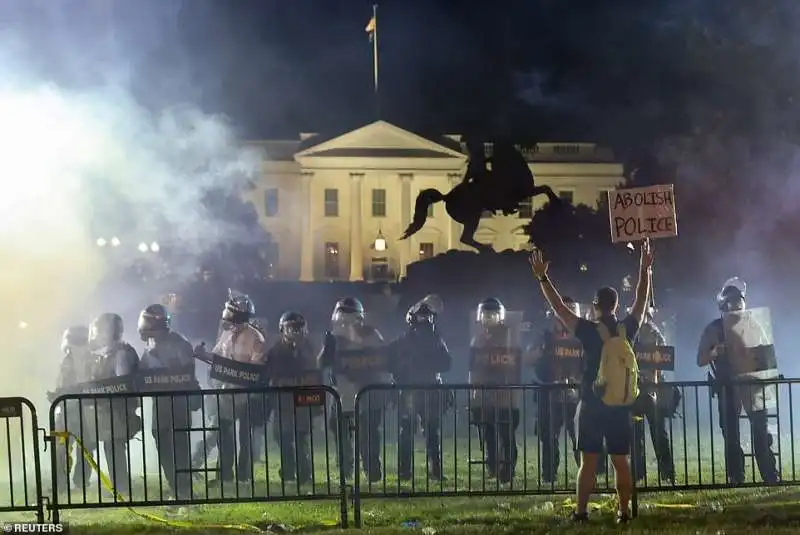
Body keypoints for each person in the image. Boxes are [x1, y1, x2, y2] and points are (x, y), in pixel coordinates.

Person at [530, 238, 653, 524]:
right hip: (621, 404)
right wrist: (645, 269)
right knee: (621, 461)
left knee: (589, 461)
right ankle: (623, 512)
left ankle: (581, 511)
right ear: (616, 305)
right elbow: (641, 301)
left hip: (592, 402)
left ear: (596, 306)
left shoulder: (586, 330)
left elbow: (560, 308)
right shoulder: (627, 329)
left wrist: (542, 277)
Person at [697, 280, 779, 484]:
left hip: (752, 385)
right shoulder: (714, 329)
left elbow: (766, 354)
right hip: (728, 387)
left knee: (760, 431)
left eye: (738, 304)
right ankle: (736, 475)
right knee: (731, 435)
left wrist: (767, 372)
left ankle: (769, 474)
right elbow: (700, 359)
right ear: (724, 307)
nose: (736, 309)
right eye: (731, 305)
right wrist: (715, 352)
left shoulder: (753, 325)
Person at [318, 297, 389, 483]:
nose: (346, 322)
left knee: (369, 432)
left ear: (359, 318)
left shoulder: (371, 335)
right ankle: (345, 469)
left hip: (367, 391)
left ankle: (372, 469)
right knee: (339, 430)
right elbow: (321, 363)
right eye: (344, 317)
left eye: (351, 318)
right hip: (341, 392)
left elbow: (382, 361)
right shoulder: (333, 337)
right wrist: (327, 348)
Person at [204, 290, 266, 485]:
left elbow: (258, 368)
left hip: (246, 394)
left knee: (245, 437)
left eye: (230, 310)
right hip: (225, 392)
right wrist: (202, 354)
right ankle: (225, 475)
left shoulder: (255, 337)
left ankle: (244, 476)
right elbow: (217, 357)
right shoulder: (226, 333)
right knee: (225, 435)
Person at [138, 304, 198, 500]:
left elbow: (187, 373)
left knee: (179, 446)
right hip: (160, 404)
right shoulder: (151, 345)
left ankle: (185, 490)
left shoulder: (179, 344)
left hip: (178, 403)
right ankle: (174, 486)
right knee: (162, 443)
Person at [388, 301, 452, 481]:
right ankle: (404, 471)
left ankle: (436, 471)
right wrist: (407, 365)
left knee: (432, 431)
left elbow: (447, 363)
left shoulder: (437, 340)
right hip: (408, 391)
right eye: (422, 318)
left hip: (430, 390)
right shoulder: (402, 342)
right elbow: (390, 364)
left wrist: (427, 361)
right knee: (407, 431)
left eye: (428, 318)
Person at [468, 297, 522, 484]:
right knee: (488, 433)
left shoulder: (509, 336)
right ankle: (492, 467)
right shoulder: (477, 340)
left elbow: (515, 367)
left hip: (505, 394)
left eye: (493, 314)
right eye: (486, 315)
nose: (489, 318)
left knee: (506, 434)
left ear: (500, 316)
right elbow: (473, 369)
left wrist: (511, 391)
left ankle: (507, 469)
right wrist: (474, 392)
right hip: (485, 394)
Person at [87, 313, 141, 498]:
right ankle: (119, 485)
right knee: (110, 447)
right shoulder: (109, 353)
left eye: (100, 330)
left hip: (117, 409)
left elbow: (121, 382)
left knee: (114, 447)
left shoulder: (121, 353)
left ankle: (121, 487)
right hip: (109, 409)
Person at [531, 299, 582, 484]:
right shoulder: (545, 336)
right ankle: (548, 475)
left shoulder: (581, 338)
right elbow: (530, 359)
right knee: (549, 437)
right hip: (550, 394)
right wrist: (542, 350)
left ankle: (586, 475)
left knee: (579, 439)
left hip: (575, 395)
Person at [265, 311, 317, 484]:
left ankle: (305, 474)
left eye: (298, 327)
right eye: (291, 327)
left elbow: (315, 374)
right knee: (283, 438)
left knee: (301, 437)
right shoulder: (276, 351)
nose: (295, 331)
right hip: (283, 401)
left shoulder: (309, 349)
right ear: (283, 329)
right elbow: (273, 378)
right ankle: (288, 472)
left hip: (303, 400)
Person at [630, 306, 676, 484]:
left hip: (653, 390)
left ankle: (667, 474)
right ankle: (638, 474)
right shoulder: (629, 334)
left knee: (659, 434)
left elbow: (663, 359)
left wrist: (655, 383)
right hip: (635, 391)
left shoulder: (656, 334)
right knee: (636, 435)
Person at [51, 325, 96, 494]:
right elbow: (61, 383)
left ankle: (81, 481)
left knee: (86, 447)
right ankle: (61, 484)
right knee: (60, 448)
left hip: (85, 411)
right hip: (64, 411)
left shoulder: (92, 360)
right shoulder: (66, 361)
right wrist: (56, 394)